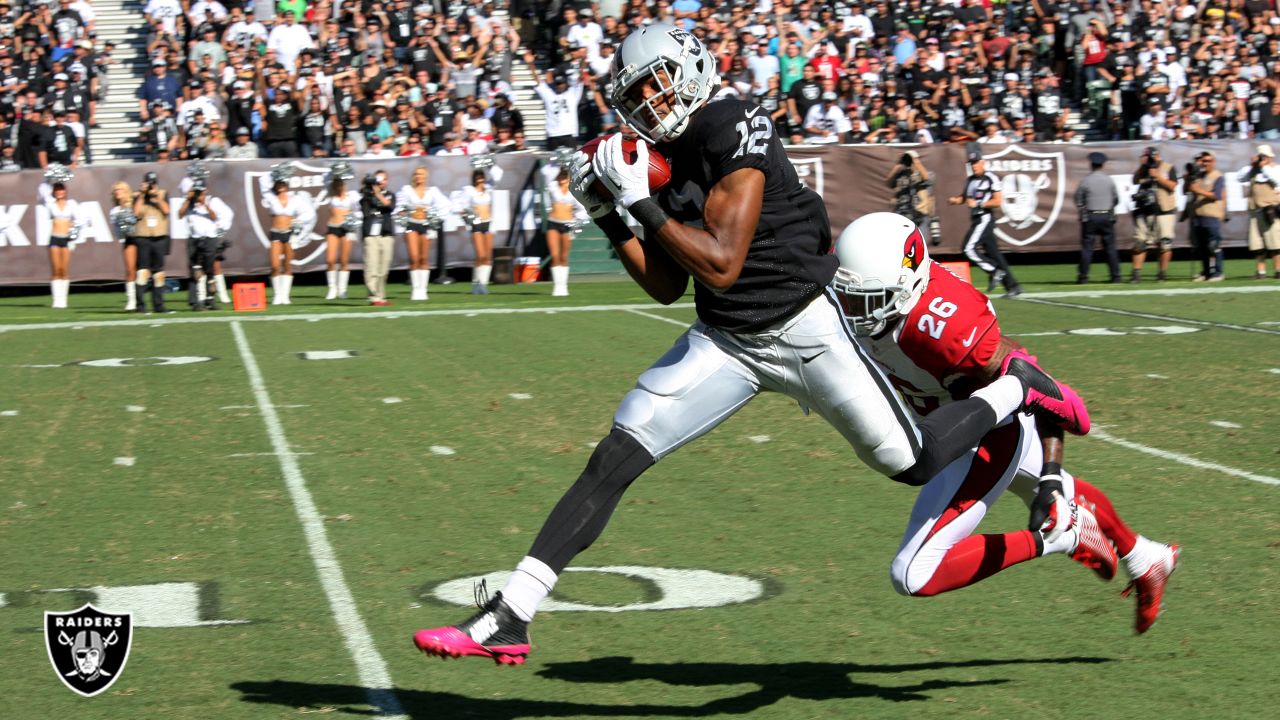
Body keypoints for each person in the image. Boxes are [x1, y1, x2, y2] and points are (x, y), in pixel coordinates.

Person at [412, 24, 1088, 665]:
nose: (650, 100)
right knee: (615, 456)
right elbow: (668, 285)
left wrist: (640, 205)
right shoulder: (664, 157)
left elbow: (723, 261)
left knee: (912, 463)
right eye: (636, 94)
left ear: (692, 68)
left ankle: (1018, 386)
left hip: (808, 324)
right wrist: (609, 215)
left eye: (658, 82)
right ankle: (512, 614)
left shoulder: (728, 121)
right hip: (729, 338)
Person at [832, 213, 1179, 633]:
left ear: (906, 288)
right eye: (848, 296)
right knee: (1055, 492)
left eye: (866, 299)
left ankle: (1058, 537)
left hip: (980, 435)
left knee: (913, 573)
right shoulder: (874, 280)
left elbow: (1031, 381)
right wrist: (1051, 479)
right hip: (944, 416)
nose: (853, 310)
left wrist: (1050, 469)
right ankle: (1145, 557)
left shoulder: (943, 326)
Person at [949, 151, 1022, 297]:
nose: (974, 166)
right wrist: (955, 200)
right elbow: (965, 198)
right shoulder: (970, 180)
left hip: (985, 219)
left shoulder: (991, 178)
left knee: (968, 248)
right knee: (995, 255)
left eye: (976, 163)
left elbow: (997, 201)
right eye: (971, 164)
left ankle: (995, 271)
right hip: (976, 219)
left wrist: (979, 203)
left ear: (983, 163)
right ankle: (1013, 286)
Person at [260, 162, 315, 305]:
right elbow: (262, 181)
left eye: (283, 182)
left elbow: (309, 212)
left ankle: (285, 295)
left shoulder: (295, 199)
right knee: (275, 265)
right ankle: (277, 295)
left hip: (290, 235)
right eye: (278, 183)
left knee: (288, 265)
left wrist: (297, 220)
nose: (280, 185)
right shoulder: (270, 197)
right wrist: (277, 171)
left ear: (287, 184)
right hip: (275, 234)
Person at [396, 166, 452, 301]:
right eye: (416, 174)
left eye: (421, 174)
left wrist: (436, 217)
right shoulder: (407, 190)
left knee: (424, 258)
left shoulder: (432, 191)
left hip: (426, 225)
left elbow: (446, 205)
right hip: (411, 224)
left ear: (426, 176)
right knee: (414, 257)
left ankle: (423, 289)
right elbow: (399, 207)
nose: (418, 176)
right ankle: (415, 289)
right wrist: (402, 212)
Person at [180, 180, 233, 310]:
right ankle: (199, 300)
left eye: (201, 192)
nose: (199, 195)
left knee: (209, 271)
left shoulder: (212, 201)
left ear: (206, 191)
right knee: (197, 271)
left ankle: (210, 300)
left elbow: (215, 217)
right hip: (195, 239)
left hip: (210, 238)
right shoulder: (190, 203)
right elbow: (179, 214)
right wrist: (188, 200)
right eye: (197, 192)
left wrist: (205, 205)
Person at [1129, 147, 1178, 283]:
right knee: (1140, 243)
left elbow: (1172, 186)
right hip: (1144, 211)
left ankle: (1162, 274)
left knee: (1164, 244)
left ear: (1157, 156)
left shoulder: (1169, 168)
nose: (1148, 159)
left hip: (1164, 212)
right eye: (1145, 156)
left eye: (1149, 156)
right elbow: (1135, 180)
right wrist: (1143, 166)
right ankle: (1136, 274)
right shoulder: (1143, 169)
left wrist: (1157, 176)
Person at [38, 165, 84, 309]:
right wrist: (48, 178)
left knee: (65, 270)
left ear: (65, 191)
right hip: (54, 237)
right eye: (57, 189)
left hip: (67, 238)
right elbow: (41, 192)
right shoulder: (50, 204)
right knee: (56, 269)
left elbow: (81, 219)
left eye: (61, 189)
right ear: (54, 191)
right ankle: (56, 300)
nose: (59, 191)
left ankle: (63, 300)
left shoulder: (72, 204)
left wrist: (74, 231)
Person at [542, 164, 588, 297]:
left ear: (569, 177)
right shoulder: (552, 186)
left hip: (567, 225)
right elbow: (546, 173)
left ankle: (563, 286)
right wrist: (558, 163)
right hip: (553, 223)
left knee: (563, 257)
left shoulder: (573, 190)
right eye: (560, 175)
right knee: (555, 256)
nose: (561, 177)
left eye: (564, 175)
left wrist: (576, 221)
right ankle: (557, 286)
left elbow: (582, 210)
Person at [1074, 151, 1121, 284]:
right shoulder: (1109, 180)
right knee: (1110, 247)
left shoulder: (1086, 181)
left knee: (1087, 248)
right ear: (1103, 165)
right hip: (1107, 216)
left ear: (1091, 165)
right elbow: (1116, 199)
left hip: (1090, 217)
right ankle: (1115, 275)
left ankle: (1083, 276)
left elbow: (1078, 200)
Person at [1236, 144, 1280, 280]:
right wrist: (1253, 165)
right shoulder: (1253, 170)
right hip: (1255, 210)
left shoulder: (1276, 169)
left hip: (1270, 210)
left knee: (1275, 244)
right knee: (1257, 244)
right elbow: (1240, 177)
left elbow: (1275, 180)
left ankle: (1278, 270)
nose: (1263, 158)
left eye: (1265, 156)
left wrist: (1263, 166)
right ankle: (1261, 271)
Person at [132, 170, 172, 313]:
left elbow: (167, 211)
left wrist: (157, 198)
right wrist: (142, 194)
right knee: (142, 272)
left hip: (159, 237)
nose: (151, 186)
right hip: (143, 237)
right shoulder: (137, 196)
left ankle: (159, 305)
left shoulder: (162, 193)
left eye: (153, 183)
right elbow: (135, 213)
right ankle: (140, 305)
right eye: (149, 183)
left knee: (159, 272)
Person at [1184, 151, 1226, 281]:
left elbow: (1216, 195)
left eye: (1208, 161)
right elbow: (1186, 191)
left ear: (1213, 162)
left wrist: (1199, 191)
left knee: (1213, 245)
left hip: (1211, 214)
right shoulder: (1198, 175)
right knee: (1201, 247)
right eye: (1203, 161)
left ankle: (1218, 272)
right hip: (1198, 214)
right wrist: (1188, 179)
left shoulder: (1218, 176)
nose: (1205, 163)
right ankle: (1206, 272)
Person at [323, 161, 360, 300]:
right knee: (331, 259)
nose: (338, 184)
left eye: (340, 181)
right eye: (336, 181)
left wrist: (353, 228)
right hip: (333, 227)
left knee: (344, 260)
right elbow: (325, 178)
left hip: (346, 229)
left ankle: (342, 289)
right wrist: (336, 169)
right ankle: (332, 288)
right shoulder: (330, 193)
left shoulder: (352, 195)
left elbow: (358, 212)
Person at [887, 150, 939, 245]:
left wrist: (916, 162)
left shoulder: (925, 173)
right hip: (902, 214)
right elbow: (888, 182)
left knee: (919, 243)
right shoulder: (901, 175)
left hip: (919, 214)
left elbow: (927, 178)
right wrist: (897, 165)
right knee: (902, 244)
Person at [361, 170, 395, 306]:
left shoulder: (390, 194)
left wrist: (378, 194)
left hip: (386, 233)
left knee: (384, 267)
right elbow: (363, 205)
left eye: (384, 179)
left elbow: (389, 205)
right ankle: (374, 296)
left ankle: (381, 296)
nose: (382, 181)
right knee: (372, 265)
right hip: (371, 234)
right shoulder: (365, 195)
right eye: (379, 179)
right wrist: (368, 187)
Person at [462, 168, 495, 295]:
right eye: (477, 176)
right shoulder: (469, 190)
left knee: (487, 256)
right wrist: (465, 214)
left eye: (481, 176)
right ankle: (476, 283)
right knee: (480, 255)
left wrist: (490, 165)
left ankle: (483, 284)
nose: (479, 179)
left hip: (488, 222)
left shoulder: (488, 189)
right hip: (476, 224)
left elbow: (498, 175)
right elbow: (462, 206)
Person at [109, 181, 139, 311]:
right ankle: (132, 300)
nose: (117, 192)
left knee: (143, 270)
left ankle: (142, 299)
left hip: (141, 237)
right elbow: (116, 231)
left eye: (120, 189)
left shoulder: (133, 204)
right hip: (128, 240)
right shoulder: (115, 211)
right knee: (130, 270)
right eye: (116, 190)